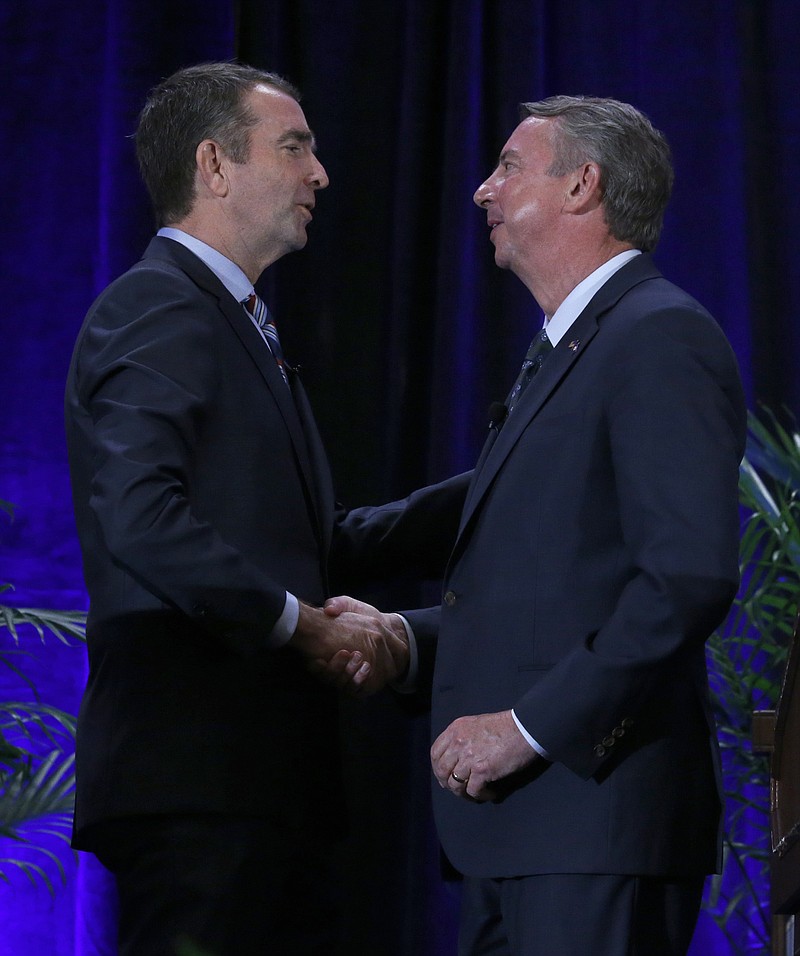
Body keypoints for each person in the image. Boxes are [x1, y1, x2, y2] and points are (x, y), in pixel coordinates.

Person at [327, 96, 746, 955]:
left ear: (582, 185)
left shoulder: (658, 335)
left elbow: (685, 578)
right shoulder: (575, 345)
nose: (482, 191)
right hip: (527, 834)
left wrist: (527, 727)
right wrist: (406, 640)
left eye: (509, 167)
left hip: (593, 820)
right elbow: (548, 585)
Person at [65, 61, 466, 956]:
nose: (319, 173)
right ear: (214, 164)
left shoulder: (232, 318)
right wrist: (300, 627)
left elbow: (311, 546)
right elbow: (141, 517)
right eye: (294, 147)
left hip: (265, 783)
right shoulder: (158, 307)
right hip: (199, 779)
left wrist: (498, 485)